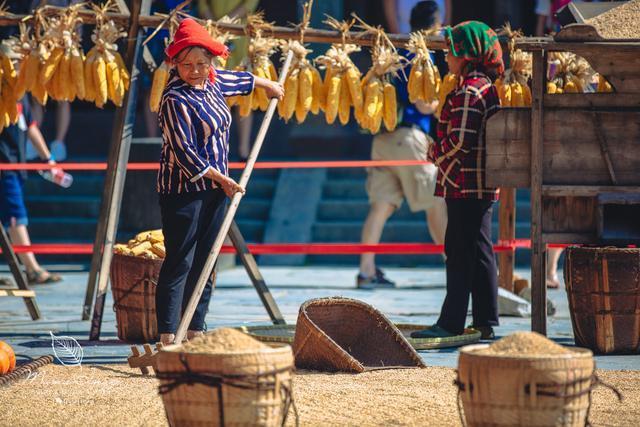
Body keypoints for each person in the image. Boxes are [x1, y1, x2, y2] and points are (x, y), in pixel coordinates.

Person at [155, 19, 283, 345]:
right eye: (187, 65)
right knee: (179, 262)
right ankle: (169, 337)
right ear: (176, 64)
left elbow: (239, 80)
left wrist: (266, 83)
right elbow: (184, 153)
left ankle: (196, 332)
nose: (194, 71)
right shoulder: (174, 99)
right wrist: (220, 177)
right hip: (184, 192)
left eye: (200, 63)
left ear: (210, 62)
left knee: (208, 260)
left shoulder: (212, 80)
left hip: (217, 189)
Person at [410, 21, 503, 340]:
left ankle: (451, 322)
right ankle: (484, 321)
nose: (446, 57)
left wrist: (435, 152)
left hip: (467, 183)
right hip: (474, 183)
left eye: (450, 51)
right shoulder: (480, 85)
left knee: (461, 251)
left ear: (465, 54)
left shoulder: (471, 90)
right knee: (478, 250)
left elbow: (461, 140)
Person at [357, 1, 447, 290]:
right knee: (436, 202)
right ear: (433, 26)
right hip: (408, 138)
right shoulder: (421, 57)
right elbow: (423, 104)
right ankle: (454, 264)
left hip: (383, 140)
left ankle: (366, 271)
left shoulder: (398, 53)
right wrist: (440, 103)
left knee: (381, 207)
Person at [0, 95, 63, 285]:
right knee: (15, 215)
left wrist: (49, 160)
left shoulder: (20, 94)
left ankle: (31, 268)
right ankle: (32, 268)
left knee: (12, 216)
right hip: (4, 167)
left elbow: (31, 127)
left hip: (16, 165)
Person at [383, 0, 451, 32]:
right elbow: (389, 3)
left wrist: (446, 28)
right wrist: (397, 34)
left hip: (439, 36)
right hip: (406, 37)